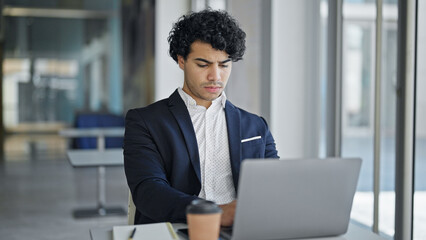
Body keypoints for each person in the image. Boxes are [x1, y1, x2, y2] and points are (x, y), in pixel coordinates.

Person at [123, 9, 279, 226]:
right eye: (203, 64)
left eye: (224, 65)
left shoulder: (255, 126)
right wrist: (215, 212)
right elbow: (149, 192)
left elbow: (276, 186)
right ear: (181, 60)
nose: (215, 76)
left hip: (240, 231)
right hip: (176, 228)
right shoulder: (145, 122)